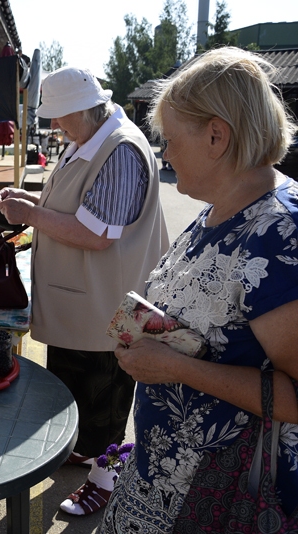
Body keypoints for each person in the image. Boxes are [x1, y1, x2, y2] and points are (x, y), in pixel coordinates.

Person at [100, 47, 298, 533]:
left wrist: (176, 368)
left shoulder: (279, 234)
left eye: (169, 139)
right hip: (162, 483)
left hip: (225, 498)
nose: (164, 154)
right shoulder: (214, 210)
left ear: (216, 135)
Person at [0, 66, 170, 516]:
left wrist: (28, 215)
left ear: (83, 109)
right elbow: (76, 207)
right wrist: (32, 203)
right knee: (76, 390)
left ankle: (105, 477)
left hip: (105, 306)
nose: (55, 126)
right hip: (82, 301)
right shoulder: (90, 139)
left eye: (59, 116)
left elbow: (97, 233)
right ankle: (84, 450)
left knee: (106, 396)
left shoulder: (121, 149)